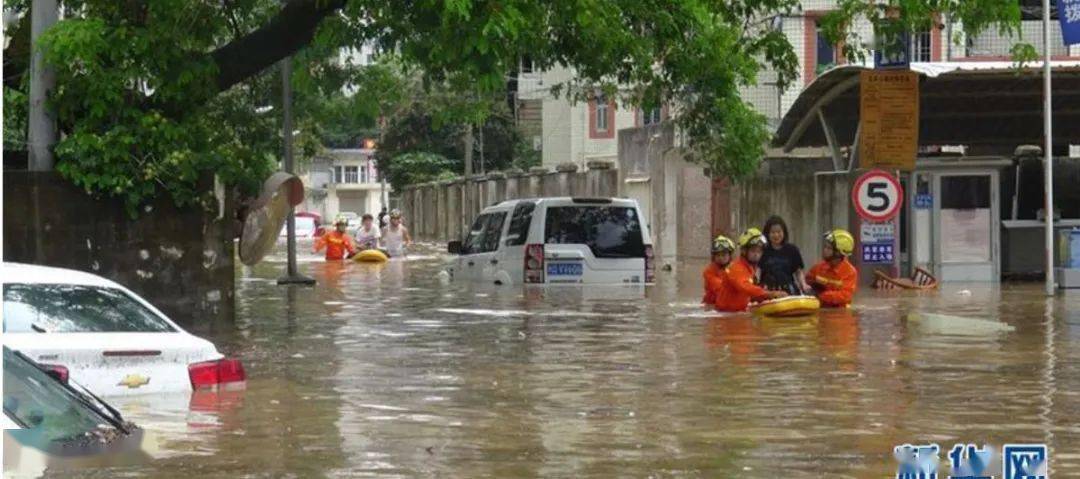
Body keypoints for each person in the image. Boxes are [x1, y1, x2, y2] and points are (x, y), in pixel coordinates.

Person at [712, 228, 787, 312]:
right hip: (726, 316)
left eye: (759, 251)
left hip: (737, 313)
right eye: (753, 251)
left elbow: (749, 293)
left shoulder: (749, 268)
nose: (756, 254)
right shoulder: (736, 267)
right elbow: (745, 287)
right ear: (744, 251)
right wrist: (770, 294)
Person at [759, 215, 811, 295]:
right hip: (768, 291)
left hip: (789, 290)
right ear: (767, 234)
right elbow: (756, 270)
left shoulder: (792, 250)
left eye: (779, 232)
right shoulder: (762, 250)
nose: (776, 235)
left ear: (784, 232)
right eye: (773, 232)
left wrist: (803, 285)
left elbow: (798, 271)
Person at [806, 229, 858, 307]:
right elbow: (807, 281)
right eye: (825, 247)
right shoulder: (818, 267)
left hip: (840, 313)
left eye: (829, 248)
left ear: (838, 252)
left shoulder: (850, 272)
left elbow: (845, 296)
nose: (825, 250)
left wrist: (820, 295)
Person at [702, 235, 736, 306]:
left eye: (723, 255)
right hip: (712, 304)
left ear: (730, 255)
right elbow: (719, 287)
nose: (720, 258)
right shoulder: (709, 271)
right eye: (718, 255)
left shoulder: (736, 268)